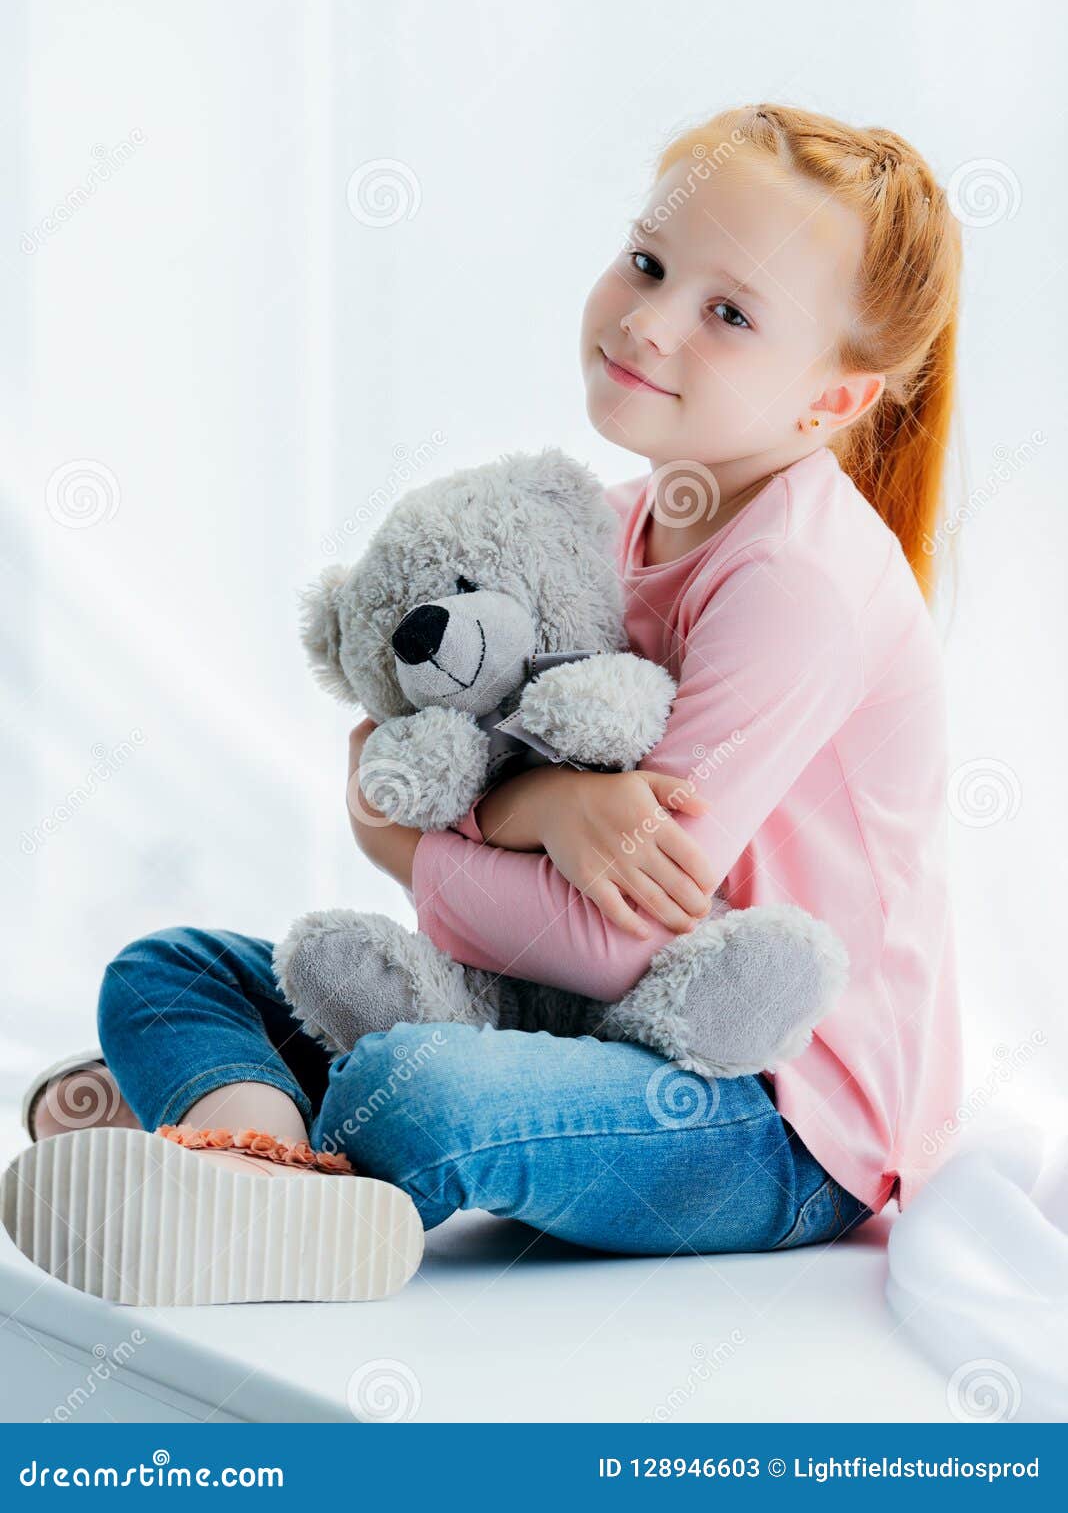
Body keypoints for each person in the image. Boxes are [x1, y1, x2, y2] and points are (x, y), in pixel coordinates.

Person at [11, 103, 962, 1302]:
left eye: (728, 313)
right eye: (648, 261)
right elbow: (438, 743)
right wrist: (539, 804)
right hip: (575, 1024)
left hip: (769, 1108)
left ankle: (237, 1142)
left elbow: (628, 936)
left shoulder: (798, 580)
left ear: (830, 403)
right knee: (169, 969)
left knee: (415, 1088)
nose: (650, 321)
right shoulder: (613, 523)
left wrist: (404, 839)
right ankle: (246, 1160)